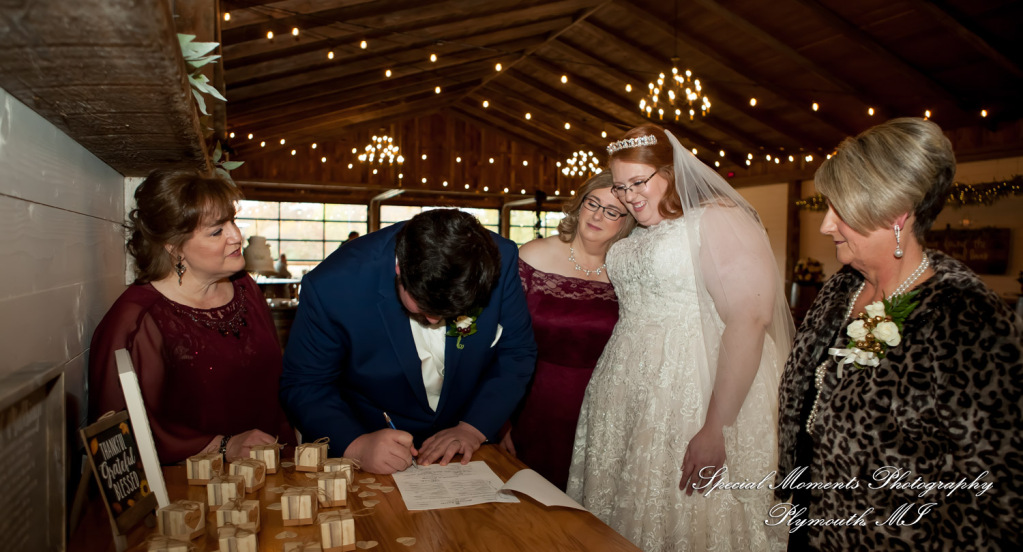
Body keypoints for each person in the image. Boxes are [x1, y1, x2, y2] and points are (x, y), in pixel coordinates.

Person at [776, 118, 1022, 550]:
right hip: (811, 521)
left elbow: (1002, 492)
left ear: (896, 216)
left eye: (841, 211)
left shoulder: (964, 315)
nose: (826, 226)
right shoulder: (840, 288)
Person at [567, 124, 794, 551]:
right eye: (621, 186)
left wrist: (716, 427)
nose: (629, 196)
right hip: (625, 388)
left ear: (670, 173)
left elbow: (750, 318)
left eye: (639, 182)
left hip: (689, 389)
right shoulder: (638, 230)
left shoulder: (717, 218)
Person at [280, 209, 537, 474]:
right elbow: (305, 382)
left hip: (468, 448)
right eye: (423, 308)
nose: (435, 320)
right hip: (368, 441)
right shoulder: (334, 284)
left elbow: (516, 352)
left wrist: (473, 428)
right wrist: (355, 445)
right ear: (399, 268)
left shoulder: (501, 257)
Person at [89, 170, 293, 464]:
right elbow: (123, 437)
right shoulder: (138, 322)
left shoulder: (244, 288)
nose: (237, 236)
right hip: (192, 483)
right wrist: (223, 446)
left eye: (232, 221)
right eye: (216, 231)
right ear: (174, 247)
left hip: (273, 470)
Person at [500, 172, 636, 490]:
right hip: (532, 403)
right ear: (580, 203)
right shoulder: (532, 255)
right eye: (593, 203)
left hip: (605, 409)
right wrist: (499, 418)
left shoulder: (629, 271)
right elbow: (499, 340)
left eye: (612, 211)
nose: (597, 215)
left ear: (627, 221)